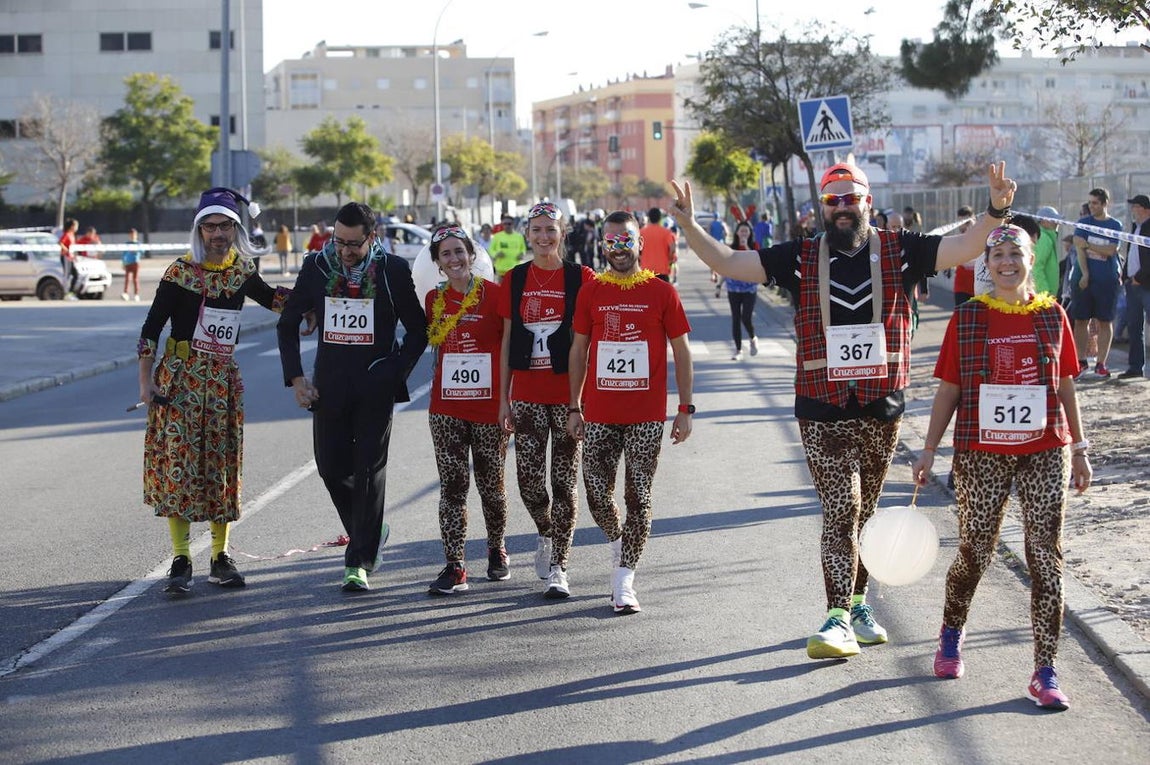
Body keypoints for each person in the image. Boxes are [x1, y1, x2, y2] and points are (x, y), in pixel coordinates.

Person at [668, 160, 1018, 660]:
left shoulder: (902, 248)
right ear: (822, 208)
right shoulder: (799, 255)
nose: (842, 209)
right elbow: (729, 262)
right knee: (842, 510)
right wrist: (688, 224)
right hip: (820, 405)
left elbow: (965, 247)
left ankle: (857, 605)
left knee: (867, 514)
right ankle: (834, 617)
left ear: (867, 202)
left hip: (881, 404)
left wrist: (996, 208)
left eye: (851, 199)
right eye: (833, 201)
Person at [911, 222, 1092, 712]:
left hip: (1044, 449)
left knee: (1045, 555)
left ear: (1031, 260)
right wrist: (929, 449)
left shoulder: (1053, 315)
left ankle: (1045, 670)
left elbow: (1067, 386)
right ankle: (951, 631)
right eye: (998, 255)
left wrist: (1079, 448)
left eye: (1016, 253)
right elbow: (948, 387)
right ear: (985, 266)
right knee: (976, 551)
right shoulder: (967, 319)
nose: (1007, 262)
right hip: (982, 453)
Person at [138, 187, 297, 595]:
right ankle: (180, 558)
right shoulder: (180, 273)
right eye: (209, 227)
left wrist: (312, 299)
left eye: (224, 226)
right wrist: (146, 379)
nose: (217, 234)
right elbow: (151, 329)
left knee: (221, 467)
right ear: (199, 231)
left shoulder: (241, 272)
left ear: (236, 228)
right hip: (181, 381)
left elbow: (273, 299)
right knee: (181, 467)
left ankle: (220, 557)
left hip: (222, 381)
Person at [277, 202, 427, 592]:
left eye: (353, 244)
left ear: (371, 238)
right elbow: (288, 322)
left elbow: (417, 330)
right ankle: (372, 530)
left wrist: (396, 371)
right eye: (338, 242)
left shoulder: (393, 270)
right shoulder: (317, 267)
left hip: (375, 384)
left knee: (368, 470)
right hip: (329, 386)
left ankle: (357, 562)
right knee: (330, 467)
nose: (344, 251)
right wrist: (296, 378)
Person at [566, 210, 694, 614]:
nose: (619, 248)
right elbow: (579, 350)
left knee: (638, 495)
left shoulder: (662, 292)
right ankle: (623, 541)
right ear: (602, 245)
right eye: (611, 242)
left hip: (645, 416)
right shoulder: (592, 291)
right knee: (597, 494)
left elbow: (682, 351)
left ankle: (624, 577)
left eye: (626, 240)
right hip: (600, 414)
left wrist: (685, 408)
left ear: (639, 243)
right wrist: (574, 405)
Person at [498, 201, 596, 598]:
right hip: (526, 397)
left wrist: (580, 402)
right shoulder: (514, 279)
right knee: (530, 482)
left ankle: (559, 566)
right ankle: (544, 530)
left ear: (563, 233)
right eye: (536, 229)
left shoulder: (581, 277)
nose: (543, 237)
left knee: (565, 482)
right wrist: (504, 399)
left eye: (550, 230)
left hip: (567, 396)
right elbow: (506, 340)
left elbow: (587, 341)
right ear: (527, 233)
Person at [422, 224, 510, 595]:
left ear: (472, 256)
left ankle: (496, 548)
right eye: (446, 254)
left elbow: (507, 349)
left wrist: (507, 400)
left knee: (492, 486)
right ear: (438, 264)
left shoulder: (495, 295)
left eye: (460, 252)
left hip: (489, 406)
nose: (454, 259)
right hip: (446, 409)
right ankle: (455, 565)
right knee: (453, 487)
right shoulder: (432, 300)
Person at [1070, 187, 1124, 378]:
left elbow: (1111, 250)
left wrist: (1089, 244)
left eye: (1095, 203)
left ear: (1104, 204)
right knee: (1081, 320)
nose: (1091, 206)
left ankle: (1101, 363)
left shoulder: (1115, 225)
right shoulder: (1084, 222)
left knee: (1105, 321)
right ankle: (1081, 361)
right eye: (1090, 202)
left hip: (1107, 280)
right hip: (1083, 280)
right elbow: (1079, 248)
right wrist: (1085, 274)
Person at [1120, 194, 1150, 379]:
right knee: (1134, 327)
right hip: (1133, 285)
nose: (1133, 210)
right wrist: (1125, 275)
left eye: (1136, 206)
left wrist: (1140, 277)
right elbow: (1131, 254)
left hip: (1146, 285)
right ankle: (1135, 367)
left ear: (1146, 209)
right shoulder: (1136, 228)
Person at [725, 221, 760, 360]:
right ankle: (738, 350)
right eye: (741, 231)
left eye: (746, 231)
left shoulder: (754, 247)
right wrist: (718, 284)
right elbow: (725, 265)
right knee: (735, 318)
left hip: (750, 288)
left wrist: (746, 246)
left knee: (746, 317)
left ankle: (753, 338)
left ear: (750, 233)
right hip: (733, 287)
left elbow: (755, 260)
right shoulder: (731, 248)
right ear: (737, 233)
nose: (744, 233)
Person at [639, 207, 677, 282]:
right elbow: (672, 248)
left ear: (649, 218)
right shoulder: (667, 233)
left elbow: (636, 250)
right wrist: (670, 259)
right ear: (660, 218)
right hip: (662, 270)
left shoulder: (641, 232)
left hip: (646, 271)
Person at [1032, 207, 1062, 298]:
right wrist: (1044, 293)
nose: (1057, 223)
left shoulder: (1045, 237)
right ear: (1043, 221)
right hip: (1043, 297)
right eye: (1053, 220)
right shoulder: (1044, 238)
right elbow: (1036, 266)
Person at [952, 206, 978, 306]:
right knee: (962, 315)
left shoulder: (983, 235)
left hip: (979, 281)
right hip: (962, 282)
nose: (964, 227)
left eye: (967, 223)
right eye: (960, 223)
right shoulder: (957, 239)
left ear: (974, 219)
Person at [490, 214, 528, 282]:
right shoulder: (497, 236)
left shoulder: (519, 236)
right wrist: (496, 254)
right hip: (502, 271)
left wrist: (522, 254)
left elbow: (523, 248)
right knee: (502, 291)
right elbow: (491, 250)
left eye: (509, 224)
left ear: (513, 224)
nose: (507, 226)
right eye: (505, 224)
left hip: (515, 270)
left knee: (515, 291)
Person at [58, 218, 79, 300]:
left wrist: (74, 256)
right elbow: (60, 242)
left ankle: (71, 293)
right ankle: (65, 294)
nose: (77, 227)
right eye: (76, 225)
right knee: (67, 275)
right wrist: (66, 250)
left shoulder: (72, 235)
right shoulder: (66, 234)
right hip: (65, 257)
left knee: (75, 275)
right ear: (72, 226)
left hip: (71, 258)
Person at [121, 228, 141, 301]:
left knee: (135, 279)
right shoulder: (127, 244)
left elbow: (142, 251)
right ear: (129, 235)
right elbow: (124, 254)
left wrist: (137, 249)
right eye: (131, 234)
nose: (133, 236)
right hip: (128, 263)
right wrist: (123, 262)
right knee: (127, 279)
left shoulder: (138, 244)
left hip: (135, 263)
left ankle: (136, 294)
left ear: (136, 235)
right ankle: (125, 293)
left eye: (134, 235)